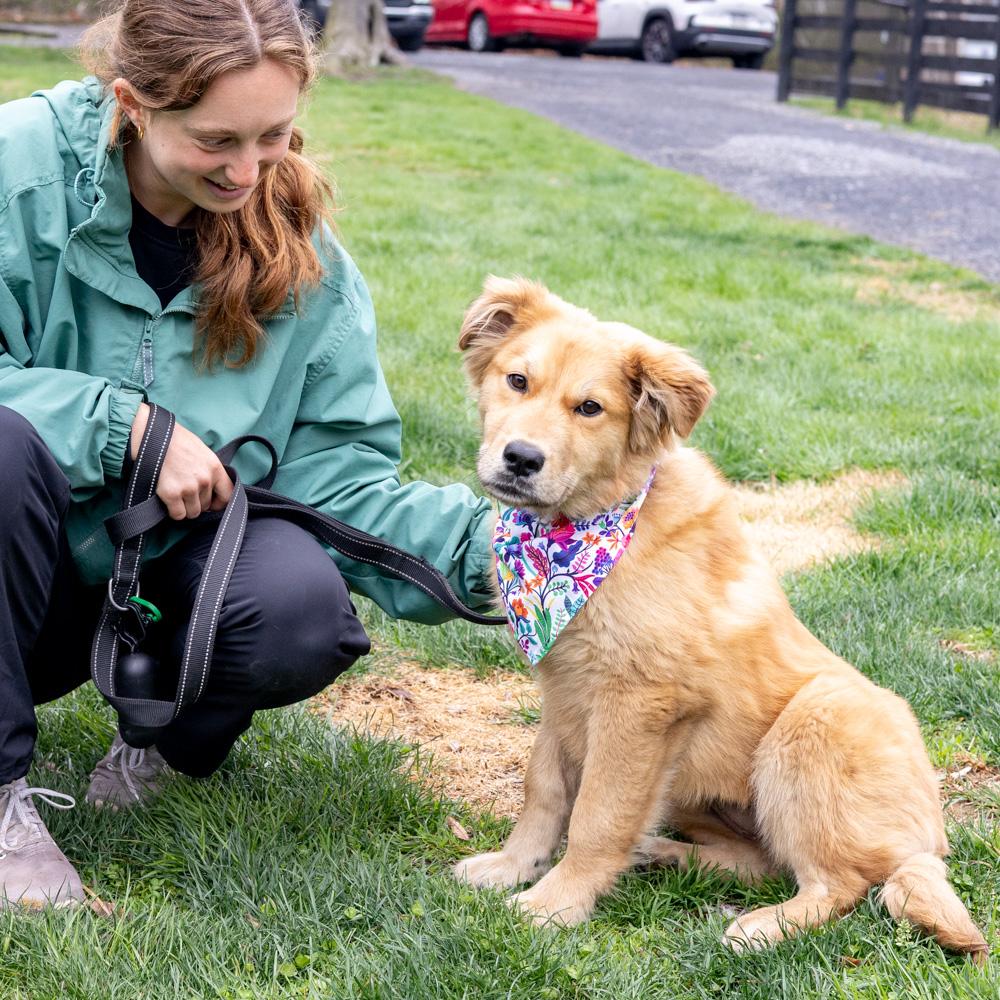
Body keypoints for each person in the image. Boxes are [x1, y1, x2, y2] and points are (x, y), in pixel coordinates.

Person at [0, 0, 495, 908]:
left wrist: (499, 555)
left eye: (274, 135)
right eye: (217, 140)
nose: (247, 170)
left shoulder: (301, 252)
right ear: (133, 102)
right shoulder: (16, 166)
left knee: (301, 612)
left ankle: (155, 737)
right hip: (13, 570)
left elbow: (336, 476)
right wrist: (126, 427)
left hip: (146, 579)